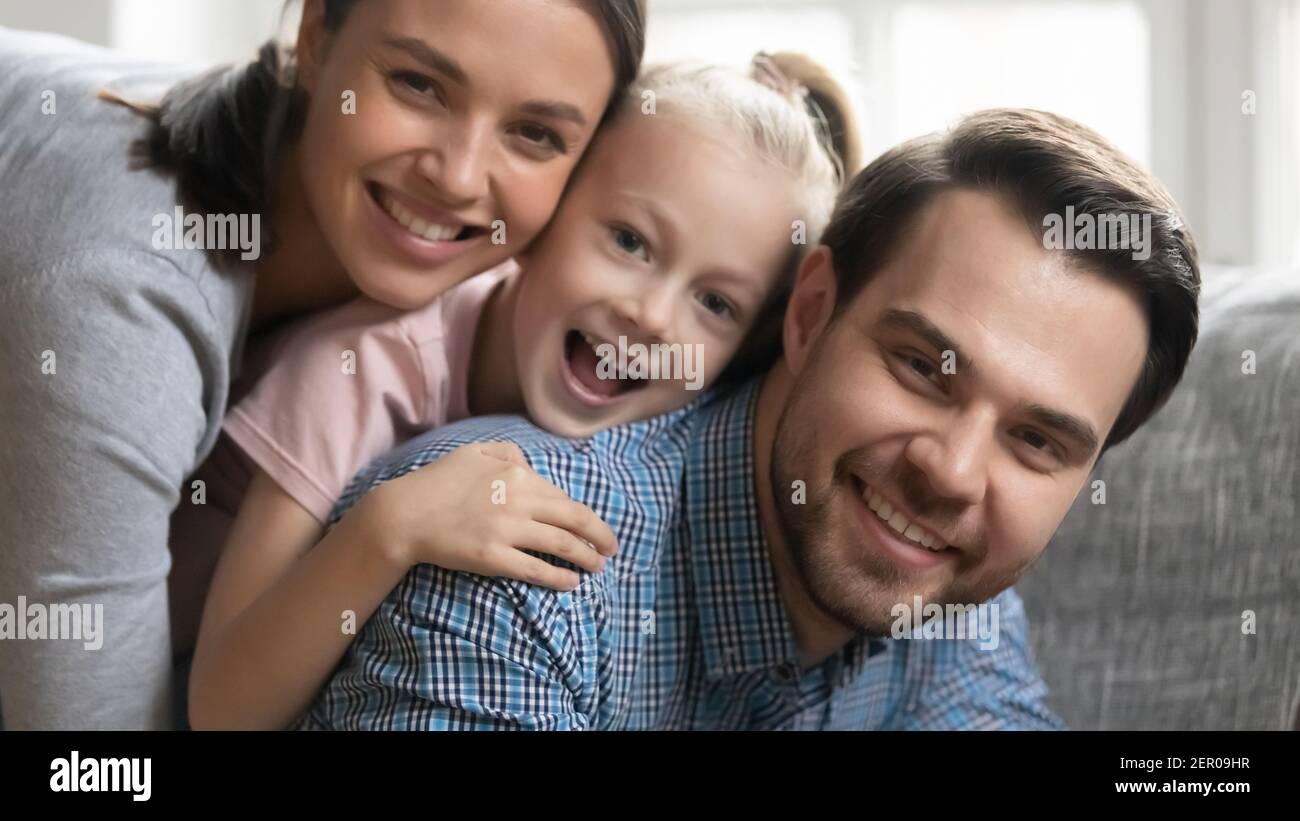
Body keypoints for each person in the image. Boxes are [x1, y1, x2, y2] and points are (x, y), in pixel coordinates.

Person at [299, 108, 1200, 730]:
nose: (954, 472)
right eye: (924, 368)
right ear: (810, 313)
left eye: (1035, 441)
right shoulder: (517, 559)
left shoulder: (948, 588)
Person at [0, 0, 646, 730]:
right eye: (419, 84)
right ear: (313, 37)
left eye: (534, 133)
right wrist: (386, 531)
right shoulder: (119, 302)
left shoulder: (485, 285)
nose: (460, 177)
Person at [187, 55, 863, 730]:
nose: (653, 317)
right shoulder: (352, 371)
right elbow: (220, 708)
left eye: (716, 301)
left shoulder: (669, 433)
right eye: (629, 241)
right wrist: (390, 528)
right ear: (543, 217)